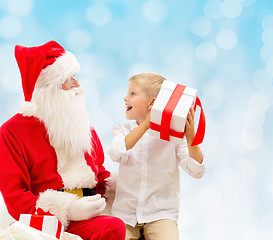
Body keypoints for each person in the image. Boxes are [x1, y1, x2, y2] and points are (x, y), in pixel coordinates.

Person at [0, 41, 126, 240]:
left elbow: (99, 173)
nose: (77, 84)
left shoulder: (83, 126)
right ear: (50, 88)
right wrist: (68, 209)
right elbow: (16, 198)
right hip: (46, 224)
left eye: (75, 77)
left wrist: (128, 185)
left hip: (93, 215)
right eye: (69, 79)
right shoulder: (12, 132)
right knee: (112, 228)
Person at [108, 73, 206, 240]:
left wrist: (190, 137)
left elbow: (197, 171)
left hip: (161, 214)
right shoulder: (123, 130)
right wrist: (147, 124)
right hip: (125, 214)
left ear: (152, 103)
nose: (125, 98)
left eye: (132, 94)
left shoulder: (174, 137)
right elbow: (115, 153)